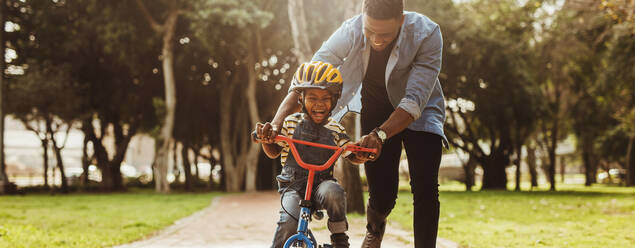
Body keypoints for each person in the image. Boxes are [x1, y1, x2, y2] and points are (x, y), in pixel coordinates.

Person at [264, 0, 448, 247]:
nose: (377, 40)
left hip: (421, 110)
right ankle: (375, 228)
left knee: (425, 187)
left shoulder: (427, 33)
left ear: (401, 20)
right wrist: (277, 122)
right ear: (363, 17)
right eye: (370, 31)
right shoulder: (351, 30)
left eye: (385, 34)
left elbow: (414, 101)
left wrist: (381, 135)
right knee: (383, 194)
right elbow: (309, 79)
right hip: (376, 108)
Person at [255, 61, 369, 248]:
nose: (319, 104)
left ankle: (340, 238)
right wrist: (267, 141)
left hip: (321, 187)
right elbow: (274, 151)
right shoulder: (291, 122)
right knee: (290, 219)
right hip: (292, 187)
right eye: (312, 98)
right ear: (301, 99)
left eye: (326, 98)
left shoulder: (335, 128)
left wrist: (361, 154)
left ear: (335, 99)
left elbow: (350, 152)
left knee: (334, 191)